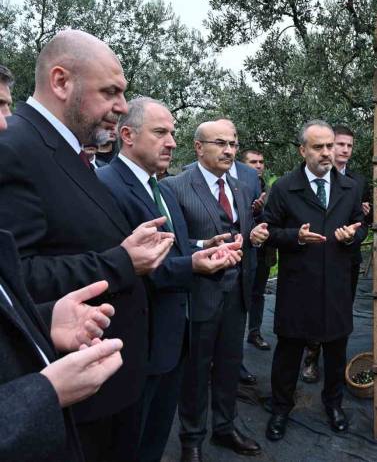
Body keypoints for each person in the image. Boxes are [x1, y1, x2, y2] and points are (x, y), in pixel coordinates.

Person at [0, 30, 174, 462]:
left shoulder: (69, 149)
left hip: (108, 384)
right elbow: (17, 277)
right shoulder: (15, 148)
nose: (120, 106)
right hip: (77, 402)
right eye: (110, 92)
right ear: (61, 82)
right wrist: (122, 261)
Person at [96, 98, 242, 462]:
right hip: (138, 345)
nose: (172, 142)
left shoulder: (158, 187)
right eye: (160, 132)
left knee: (156, 437)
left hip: (172, 339)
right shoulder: (107, 186)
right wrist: (192, 265)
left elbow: (168, 245)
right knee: (131, 442)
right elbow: (130, 265)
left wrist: (202, 245)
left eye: (173, 133)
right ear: (126, 135)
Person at [161, 118, 269, 462]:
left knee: (228, 364)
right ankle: (191, 439)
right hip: (198, 294)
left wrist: (253, 236)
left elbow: (243, 232)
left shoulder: (241, 188)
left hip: (237, 293)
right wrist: (203, 244)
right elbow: (172, 245)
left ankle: (225, 428)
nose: (229, 151)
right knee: (195, 370)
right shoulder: (175, 187)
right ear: (198, 147)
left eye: (233, 144)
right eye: (220, 143)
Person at [263, 120, 367, 441]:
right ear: (303, 150)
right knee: (289, 351)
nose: (327, 153)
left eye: (330, 146)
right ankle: (281, 408)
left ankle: (333, 404)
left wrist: (353, 234)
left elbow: (360, 224)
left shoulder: (350, 187)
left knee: (336, 349)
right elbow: (267, 231)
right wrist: (295, 236)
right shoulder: (284, 187)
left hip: (337, 283)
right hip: (298, 286)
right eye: (319, 147)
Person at [300, 124, 371, 384]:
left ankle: (334, 362)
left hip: (345, 258)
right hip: (315, 257)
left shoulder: (357, 181)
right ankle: (311, 355)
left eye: (348, 146)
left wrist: (362, 219)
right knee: (313, 308)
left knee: (341, 310)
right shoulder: (308, 180)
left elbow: (362, 223)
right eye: (338, 144)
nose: (342, 150)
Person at [240, 149, 274, 351]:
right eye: (254, 162)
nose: (259, 165)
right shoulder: (236, 186)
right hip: (242, 250)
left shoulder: (268, 190)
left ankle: (254, 333)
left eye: (261, 161)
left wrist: (261, 212)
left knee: (258, 293)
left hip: (263, 250)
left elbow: (273, 219)